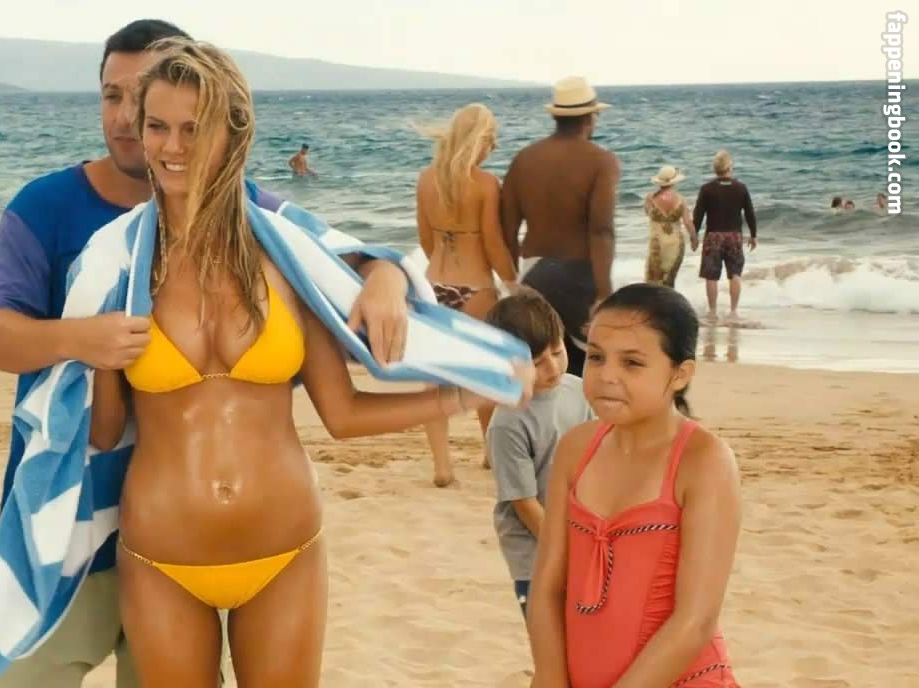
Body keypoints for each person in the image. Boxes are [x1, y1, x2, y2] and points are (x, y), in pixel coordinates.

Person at [0, 19, 414, 688]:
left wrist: (389, 273)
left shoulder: (258, 220)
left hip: (230, 541)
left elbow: (338, 258)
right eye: (117, 98)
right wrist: (83, 340)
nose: (132, 120)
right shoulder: (57, 215)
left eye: (185, 122)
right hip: (82, 535)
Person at [88, 37, 533, 687]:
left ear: (233, 133)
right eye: (158, 127)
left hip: (284, 552)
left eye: (194, 128)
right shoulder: (116, 263)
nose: (173, 147)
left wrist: (466, 392)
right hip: (161, 559)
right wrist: (99, 354)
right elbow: (103, 434)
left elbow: (342, 414)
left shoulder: (289, 258)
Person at [526, 283, 742, 688]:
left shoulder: (703, 462)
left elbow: (694, 622)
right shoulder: (575, 449)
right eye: (596, 357)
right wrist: (551, 677)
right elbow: (548, 587)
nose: (606, 376)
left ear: (680, 374)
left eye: (632, 363)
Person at [414, 102, 518, 487]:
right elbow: (493, 243)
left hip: (432, 286)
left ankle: (442, 466)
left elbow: (425, 240)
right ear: (480, 140)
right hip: (476, 287)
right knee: (485, 375)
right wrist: (513, 282)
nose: (493, 148)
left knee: (433, 381)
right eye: (492, 140)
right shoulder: (487, 184)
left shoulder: (426, 179)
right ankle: (490, 452)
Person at [484, 289, 593, 619]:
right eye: (536, 363)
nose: (552, 367)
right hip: (534, 556)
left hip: (583, 538)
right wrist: (566, 552)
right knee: (550, 639)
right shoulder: (507, 423)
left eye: (557, 352)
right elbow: (524, 503)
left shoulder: (580, 391)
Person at [501, 76, 619, 377]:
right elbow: (601, 230)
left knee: (540, 366)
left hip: (533, 272)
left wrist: (512, 281)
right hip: (580, 276)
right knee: (584, 366)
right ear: (590, 118)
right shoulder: (601, 161)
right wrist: (604, 293)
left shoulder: (524, 159)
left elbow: (508, 228)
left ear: (557, 116)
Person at [692, 150, 757, 321]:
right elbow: (750, 213)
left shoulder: (706, 189)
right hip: (734, 236)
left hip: (713, 236)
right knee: (735, 274)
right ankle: (733, 311)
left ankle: (713, 312)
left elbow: (698, 215)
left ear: (715, 169)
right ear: (729, 167)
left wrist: (694, 236)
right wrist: (754, 235)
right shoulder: (741, 188)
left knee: (711, 276)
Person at [643, 165, 697, 288]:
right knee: (669, 281)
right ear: (674, 181)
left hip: (657, 243)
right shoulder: (681, 200)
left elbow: (647, 213)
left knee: (653, 281)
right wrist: (694, 239)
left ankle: (653, 300)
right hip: (676, 244)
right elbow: (688, 223)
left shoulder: (650, 198)